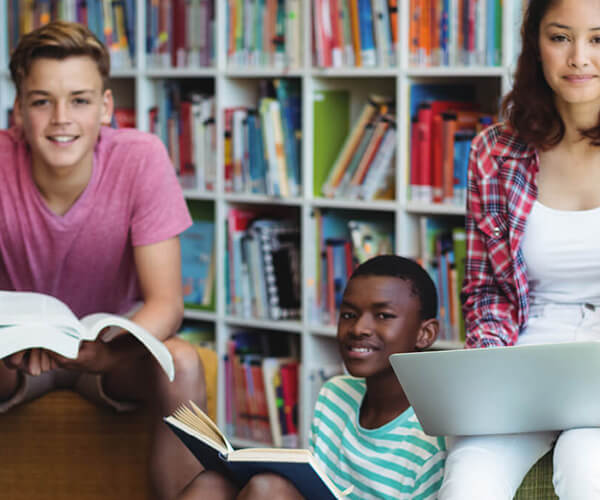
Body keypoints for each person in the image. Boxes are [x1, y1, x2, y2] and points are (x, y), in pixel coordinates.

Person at [0, 21, 206, 500]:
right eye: (41, 101)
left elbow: (166, 303)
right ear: (18, 111)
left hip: (110, 352)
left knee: (183, 362)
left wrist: (109, 352)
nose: (60, 119)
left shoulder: (141, 157)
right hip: (12, 356)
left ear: (106, 108)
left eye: (79, 99)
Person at [439, 0, 600, 498]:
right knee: (468, 482)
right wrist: (493, 373)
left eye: (598, 38)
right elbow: (486, 288)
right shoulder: (496, 149)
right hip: (524, 359)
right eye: (560, 37)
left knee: (587, 472)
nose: (579, 58)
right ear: (536, 46)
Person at [178, 254, 447, 500]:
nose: (359, 328)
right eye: (349, 315)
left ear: (425, 334)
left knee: (268, 489)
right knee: (212, 484)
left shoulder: (433, 430)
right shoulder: (336, 394)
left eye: (383, 316)